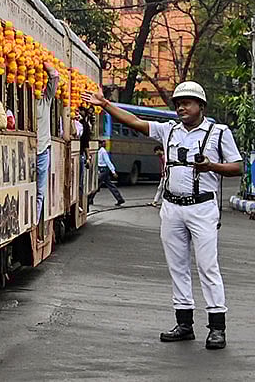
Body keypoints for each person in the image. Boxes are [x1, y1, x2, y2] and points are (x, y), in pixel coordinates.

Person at [84, 81, 243, 350]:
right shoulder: (169, 130)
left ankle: (217, 327)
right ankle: (184, 324)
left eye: (187, 102)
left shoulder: (218, 133)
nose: (181, 107)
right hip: (172, 208)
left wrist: (211, 166)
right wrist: (106, 105)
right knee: (177, 267)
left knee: (207, 266)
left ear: (201, 106)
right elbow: (135, 121)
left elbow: (237, 167)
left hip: (202, 207)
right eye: (178, 103)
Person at [35, 63, 61, 224]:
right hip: (28, 151)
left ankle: (36, 222)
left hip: (42, 149)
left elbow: (54, 75)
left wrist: (43, 63)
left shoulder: (45, 99)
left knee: (39, 192)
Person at [89, 142, 125, 207]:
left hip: (104, 170)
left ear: (100, 144)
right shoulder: (97, 151)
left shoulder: (103, 151)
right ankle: (119, 198)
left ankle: (90, 199)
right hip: (100, 169)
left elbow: (108, 161)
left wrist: (113, 171)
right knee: (109, 185)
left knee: (96, 184)